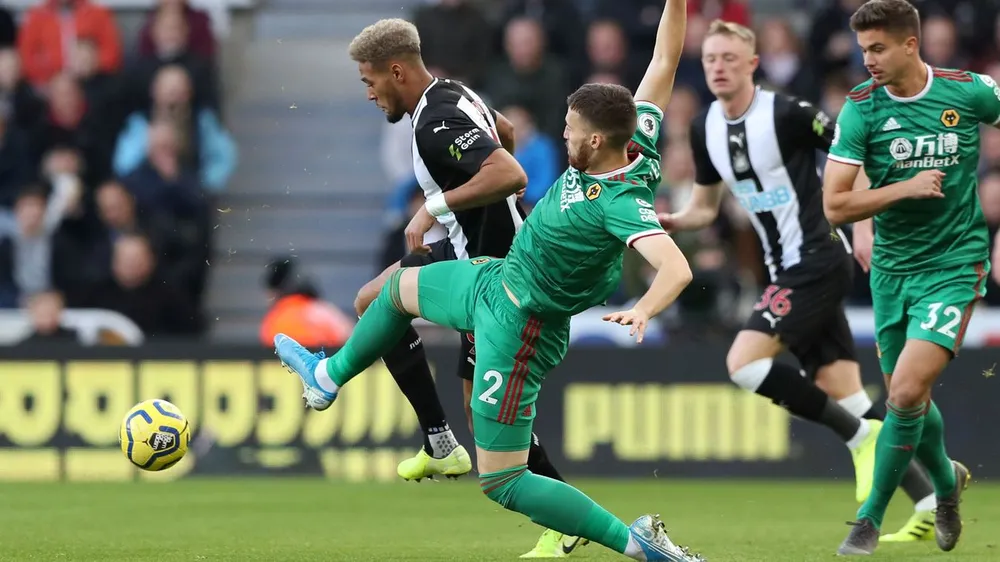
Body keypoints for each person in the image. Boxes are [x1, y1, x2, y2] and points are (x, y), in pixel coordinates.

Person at [275, 2, 706, 560]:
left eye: (570, 129)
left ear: (596, 142)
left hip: (521, 324)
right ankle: (328, 378)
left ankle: (635, 543)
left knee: (501, 479)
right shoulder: (635, 140)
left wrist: (646, 308)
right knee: (391, 293)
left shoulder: (621, 203)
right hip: (494, 277)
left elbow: (677, 267)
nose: (562, 134)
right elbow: (664, 60)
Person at [660, 18, 939, 542]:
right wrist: (673, 222)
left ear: (752, 64)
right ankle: (933, 492)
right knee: (849, 394)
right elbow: (704, 206)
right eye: (709, 60)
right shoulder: (702, 128)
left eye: (728, 58)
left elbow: (855, 154)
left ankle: (859, 440)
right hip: (784, 268)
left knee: (742, 363)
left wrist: (863, 223)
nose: (718, 68)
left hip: (816, 258)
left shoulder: (786, 113)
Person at [342, 18, 583, 558]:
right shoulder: (451, 91)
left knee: (380, 305)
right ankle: (440, 441)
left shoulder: (434, 123)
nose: (368, 93)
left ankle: (554, 509)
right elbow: (506, 131)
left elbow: (512, 171)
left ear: (396, 70)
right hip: (476, 253)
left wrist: (435, 206)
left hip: (499, 275)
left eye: (369, 81)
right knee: (376, 304)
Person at [822, 0, 994, 555]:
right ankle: (948, 486)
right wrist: (904, 188)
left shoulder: (968, 91)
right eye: (862, 48)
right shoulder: (861, 110)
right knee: (910, 397)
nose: (866, 58)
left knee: (902, 393)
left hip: (954, 265)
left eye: (877, 48)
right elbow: (834, 207)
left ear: (910, 45)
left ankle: (868, 520)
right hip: (892, 274)